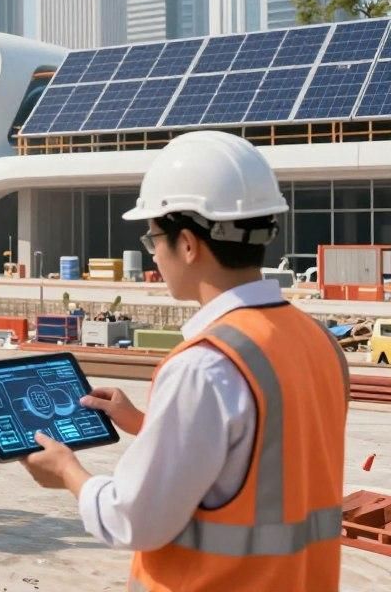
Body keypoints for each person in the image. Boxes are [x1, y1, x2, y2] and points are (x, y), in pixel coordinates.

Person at [20, 130, 349, 591]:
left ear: (189, 244)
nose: (153, 252)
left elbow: (133, 519)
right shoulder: (318, 340)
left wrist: (68, 472)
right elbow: (265, 451)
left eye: (154, 236)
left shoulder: (205, 366)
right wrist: (143, 421)